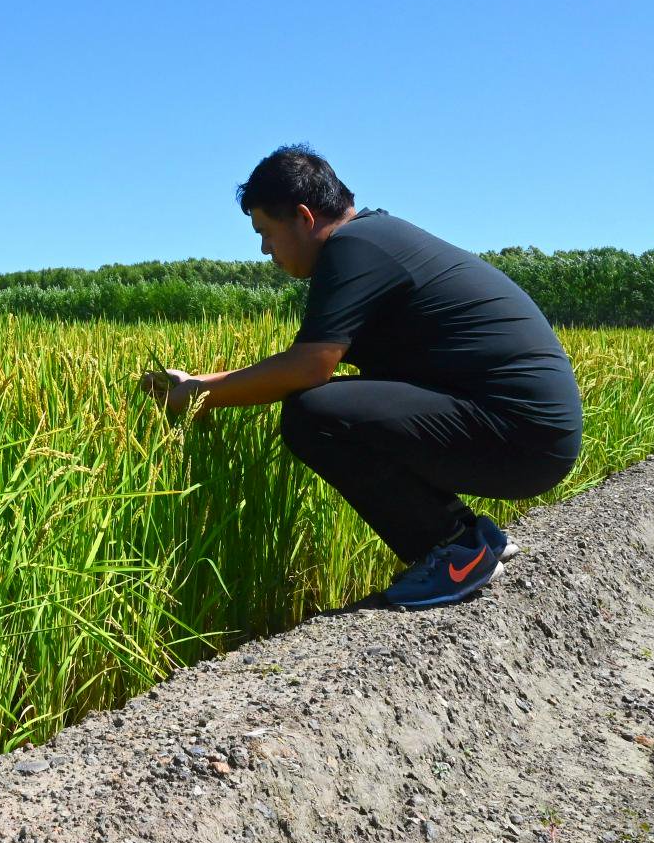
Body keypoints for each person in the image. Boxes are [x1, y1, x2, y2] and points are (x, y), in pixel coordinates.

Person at [140, 145, 582, 609]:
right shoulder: (374, 239)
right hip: (524, 430)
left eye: (265, 232)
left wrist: (200, 396)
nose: (264, 250)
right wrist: (196, 382)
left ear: (304, 217)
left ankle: (453, 553)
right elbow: (308, 361)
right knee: (333, 402)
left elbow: (307, 369)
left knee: (313, 413)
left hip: (524, 436)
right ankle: (473, 535)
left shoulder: (354, 249)